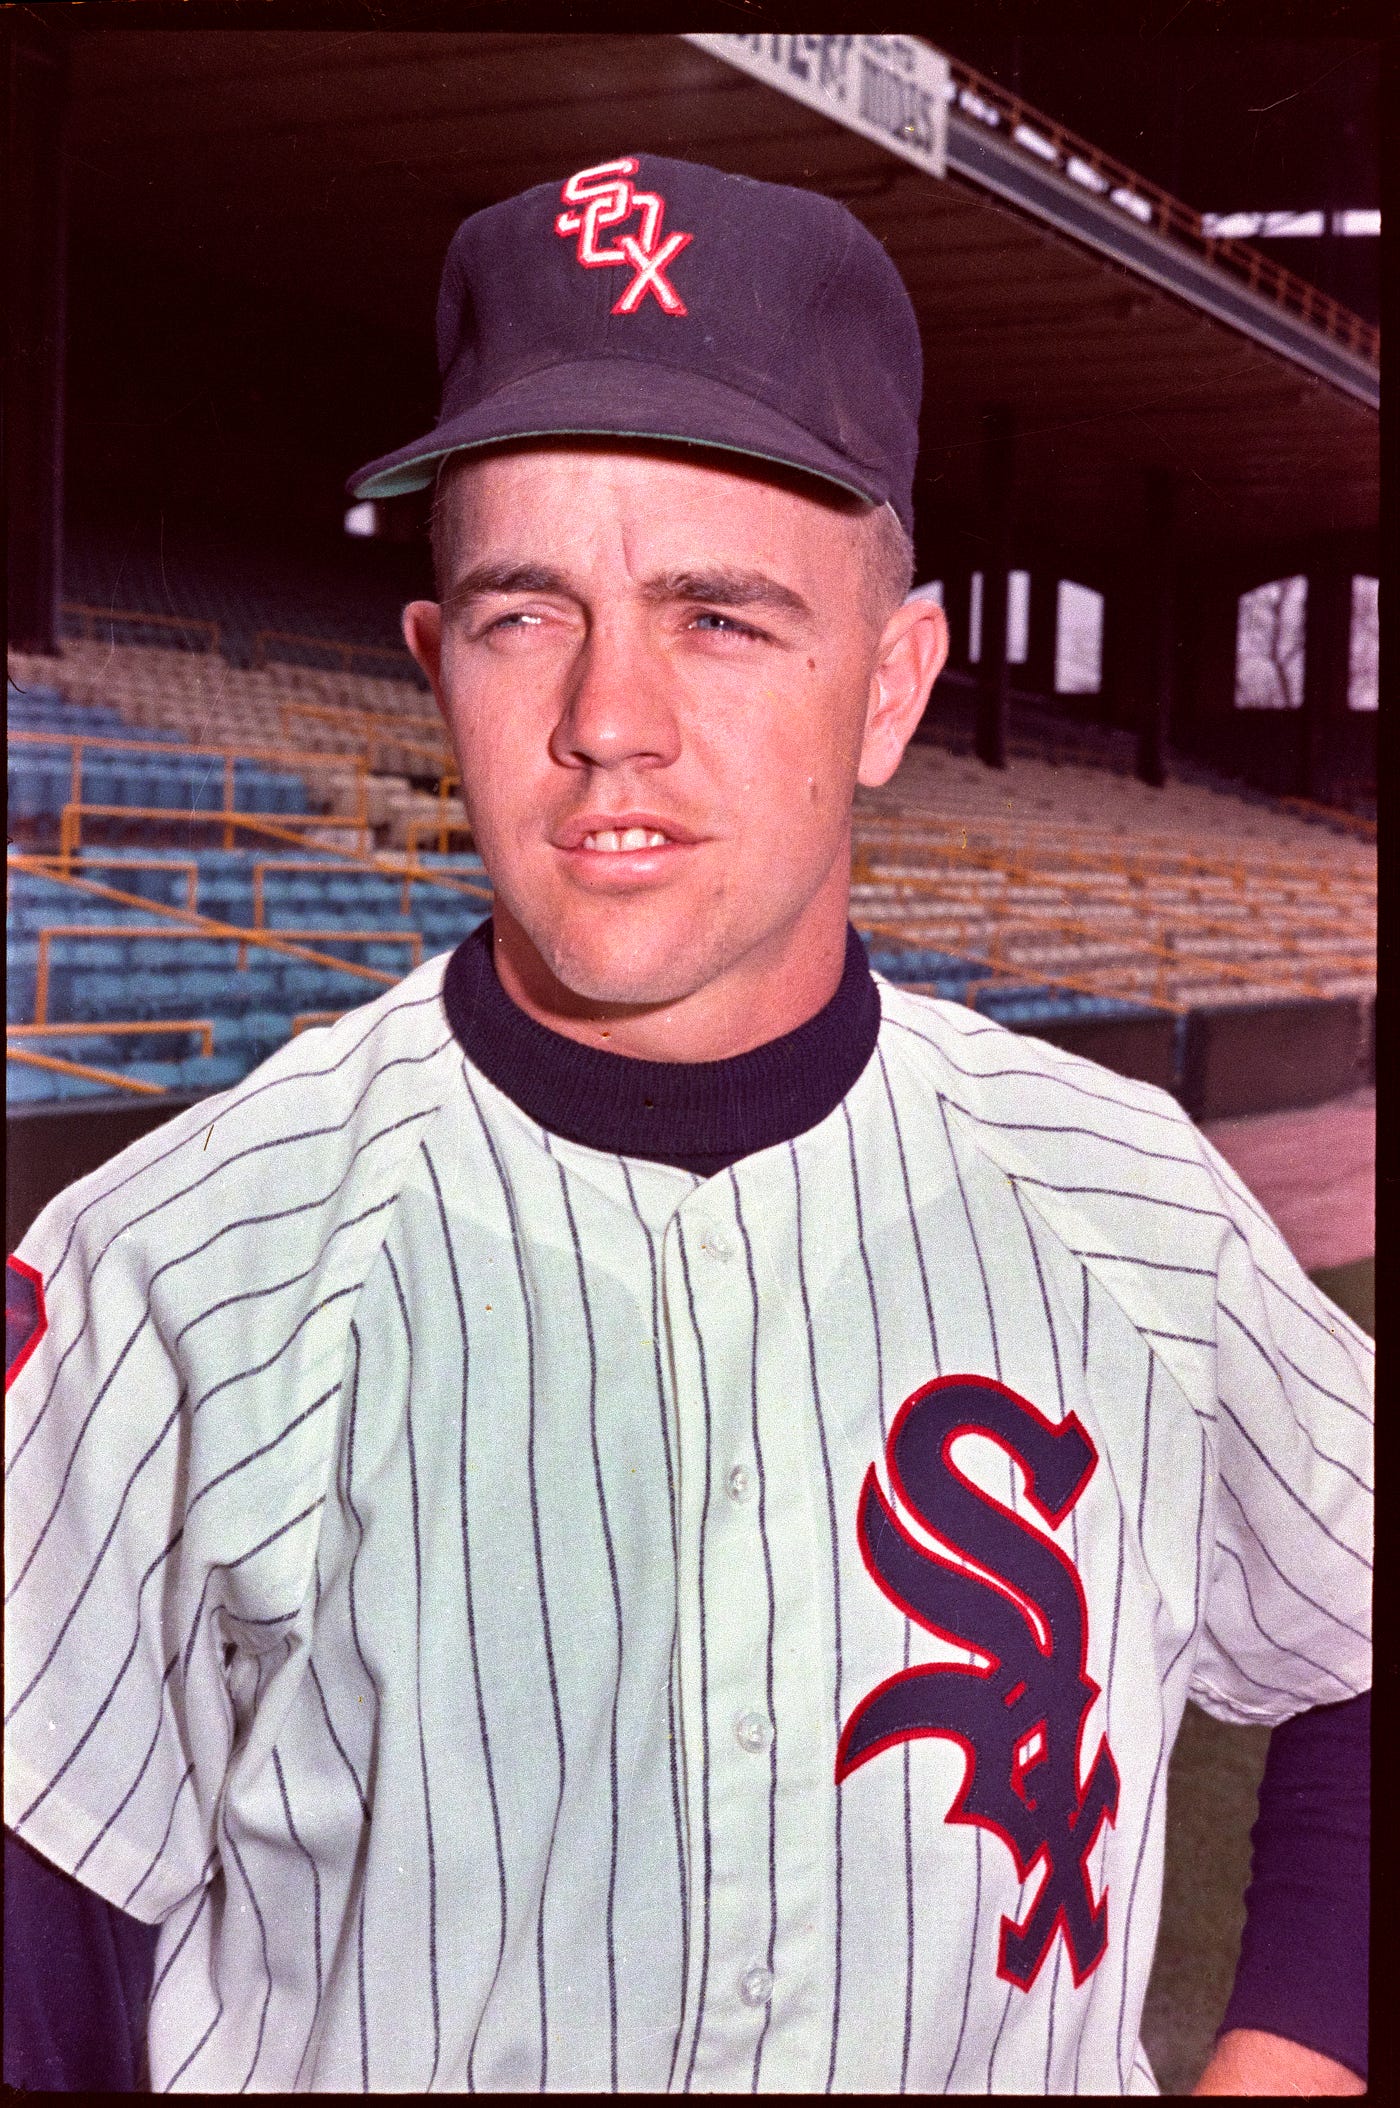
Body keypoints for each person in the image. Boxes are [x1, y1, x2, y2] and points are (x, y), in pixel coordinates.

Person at [4, 154, 1370, 2095]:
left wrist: (1289, 2063)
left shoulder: (1132, 1206)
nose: (606, 716)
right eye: (520, 611)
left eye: (719, 616)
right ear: (432, 664)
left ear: (892, 684)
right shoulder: (166, 1268)